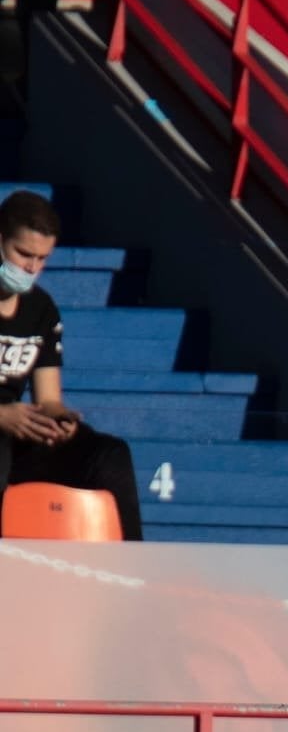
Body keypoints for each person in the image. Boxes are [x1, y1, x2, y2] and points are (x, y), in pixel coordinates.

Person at [0, 190, 143, 539]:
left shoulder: (41, 309)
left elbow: (48, 396)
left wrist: (56, 419)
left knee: (108, 454)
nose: (32, 268)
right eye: (24, 255)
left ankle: (131, 569)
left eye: (42, 258)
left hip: (21, 434)